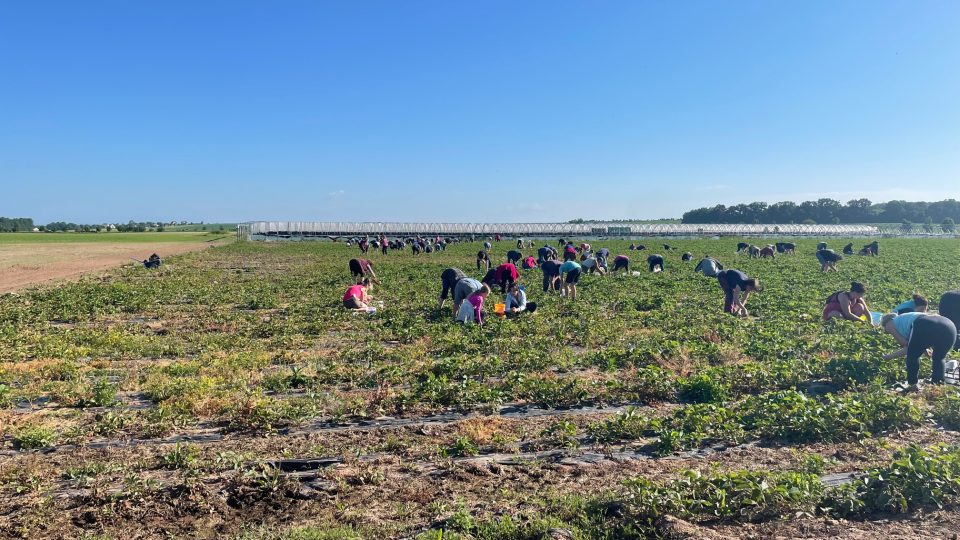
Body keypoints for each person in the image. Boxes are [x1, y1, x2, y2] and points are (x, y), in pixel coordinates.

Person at [881, 312, 956, 390]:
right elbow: (921, 339)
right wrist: (925, 351)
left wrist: (888, 357)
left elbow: (908, 347)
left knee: (912, 356)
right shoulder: (907, 317)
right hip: (949, 325)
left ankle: (912, 384)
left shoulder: (888, 324)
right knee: (939, 358)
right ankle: (937, 386)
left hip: (925, 324)